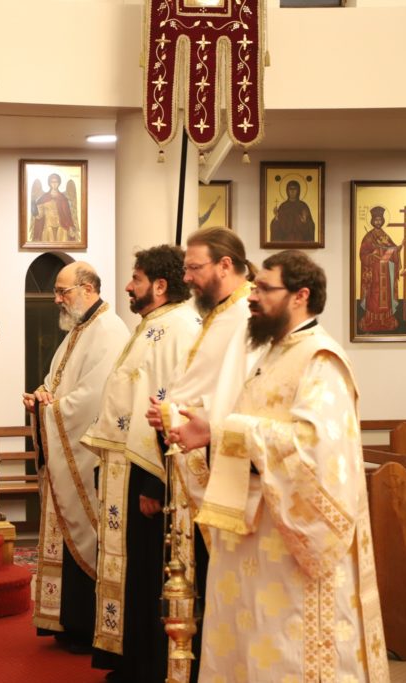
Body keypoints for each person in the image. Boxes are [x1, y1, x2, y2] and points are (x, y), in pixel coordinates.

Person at [167, 250, 389, 682]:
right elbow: (253, 424)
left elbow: (315, 447)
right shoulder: (272, 353)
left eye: (265, 288)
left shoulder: (321, 361)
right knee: (251, 644)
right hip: (258, 533)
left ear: (300, 295)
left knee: (288, 650)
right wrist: (213, 430)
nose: (253, 297)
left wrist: (223, 430)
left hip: (293, 544)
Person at [145, 227, 258, 681]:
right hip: (192, 458)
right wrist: (169, 410)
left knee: (220, 583)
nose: (186, 277)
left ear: (225, 265)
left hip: (222, 468)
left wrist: (181, 415)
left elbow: (242, 395)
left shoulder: (246, 316)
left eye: (194, 267)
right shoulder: (217, 314)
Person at [81, 245, 199, 682]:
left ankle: (146, 666)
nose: (129, 286)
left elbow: (168, 400)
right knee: (131, 567)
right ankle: (128, 659)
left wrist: (155, 482)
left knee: (147, 569)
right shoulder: (153, 325)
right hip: (126, 467)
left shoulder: (177, 328)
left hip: (146, 471)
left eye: (136, 278)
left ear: (160, 285)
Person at [22, 262, 129, 652]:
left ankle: (86, 623)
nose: (57, 299)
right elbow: (58, 382)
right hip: (67, 449)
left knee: (88, 530)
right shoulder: (79, 330)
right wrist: (41, 396)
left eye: (63, 291)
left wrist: (50, 408)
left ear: (87, 288)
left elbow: (95, 397)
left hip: (87, 457)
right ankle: (65, 619)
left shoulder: (109, 331)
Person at [358, 205, 401, 333]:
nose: (378, 222)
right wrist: (372, 254)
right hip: (374, 271)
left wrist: (396, 250)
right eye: (375, 219)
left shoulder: (385, 235)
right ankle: (372, 319)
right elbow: (363, 254)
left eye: (380, 219)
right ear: (372, 220)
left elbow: (392, 250)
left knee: (385, 293)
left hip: (385, 271)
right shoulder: (368, 237)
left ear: (382, 220)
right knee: (374, 294)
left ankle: (385, 319)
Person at [31, 173, 78, 243]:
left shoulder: (63, 198)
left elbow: (67, 214)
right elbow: (40, 215)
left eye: (56, 182)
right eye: (52, 182)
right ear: (49, 183)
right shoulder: (44, 198)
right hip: (48, 227)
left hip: (62, 227)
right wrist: (33, 208)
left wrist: (71, 226)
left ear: (59, 183)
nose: (54, 184)